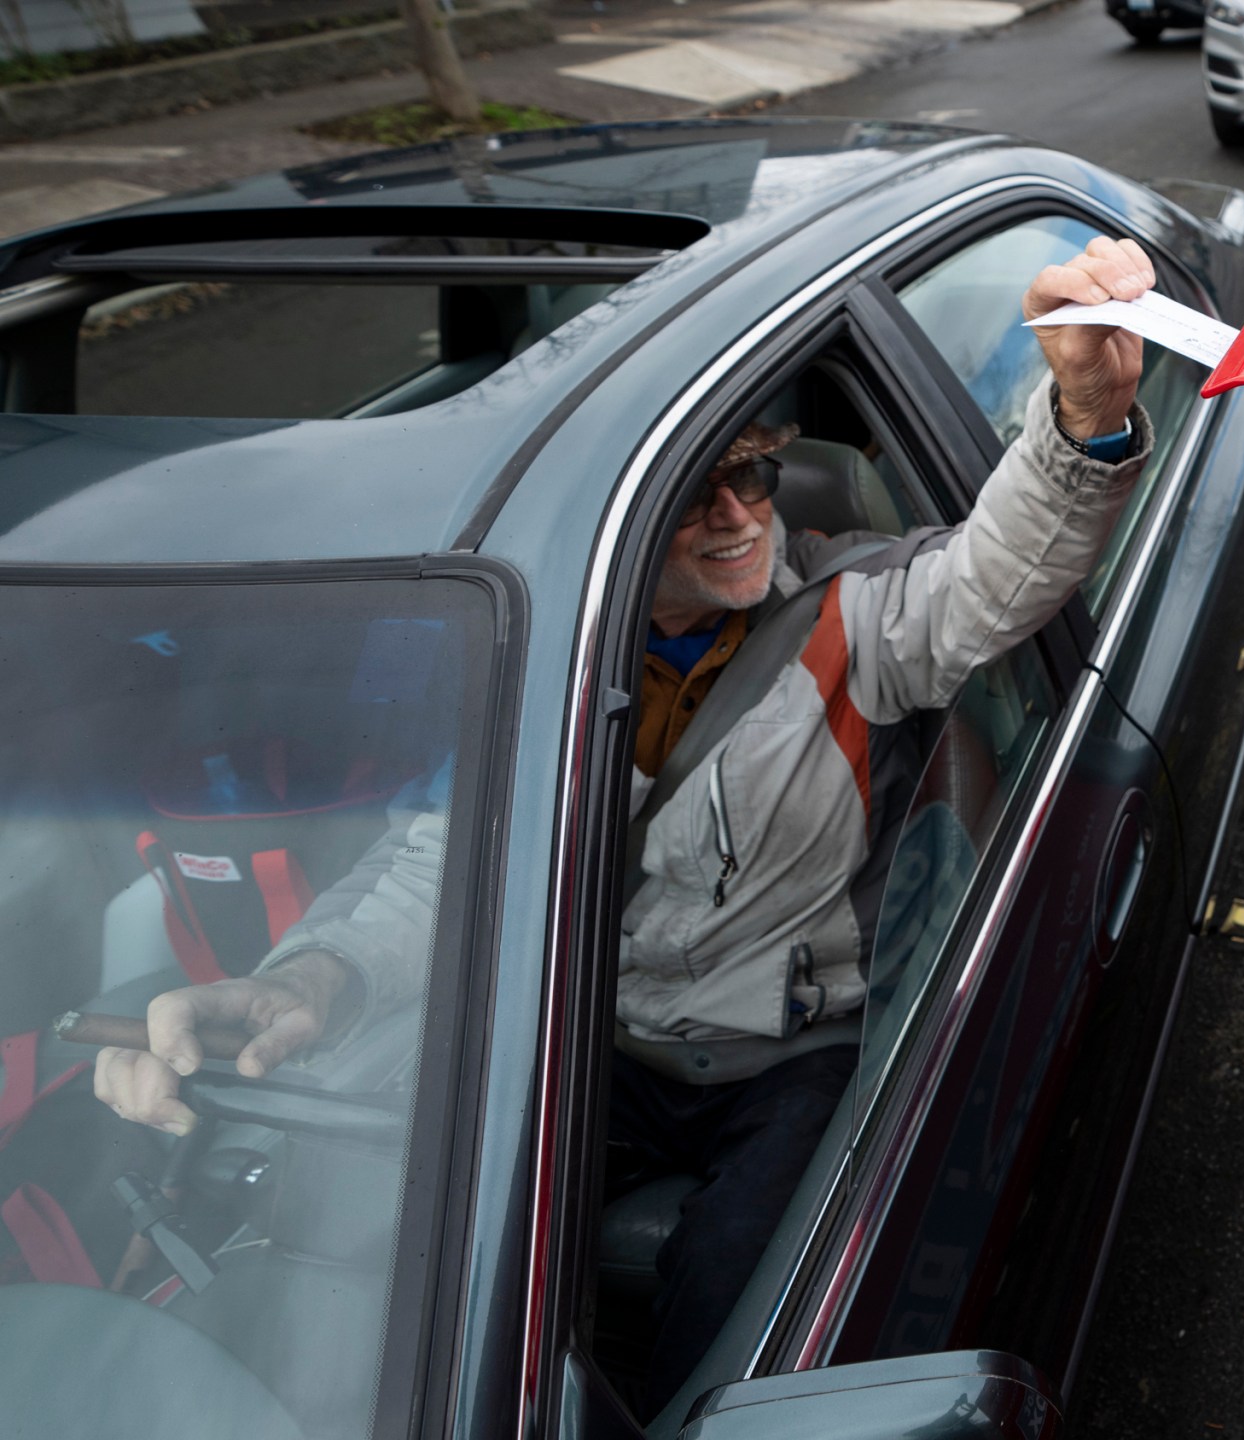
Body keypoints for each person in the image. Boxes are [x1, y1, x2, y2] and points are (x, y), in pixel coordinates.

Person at [91, 237, 1165, 1409]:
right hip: (592, 1039)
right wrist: (310, 985)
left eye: (754, 475)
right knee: (372, 1239)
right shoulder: (543, 647)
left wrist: (1087, 411)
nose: (737, 515)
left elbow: (1003, 572)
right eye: (694, 495)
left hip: (791, 1060)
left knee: (732, 1307)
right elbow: (442, 865)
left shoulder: (853, 619)